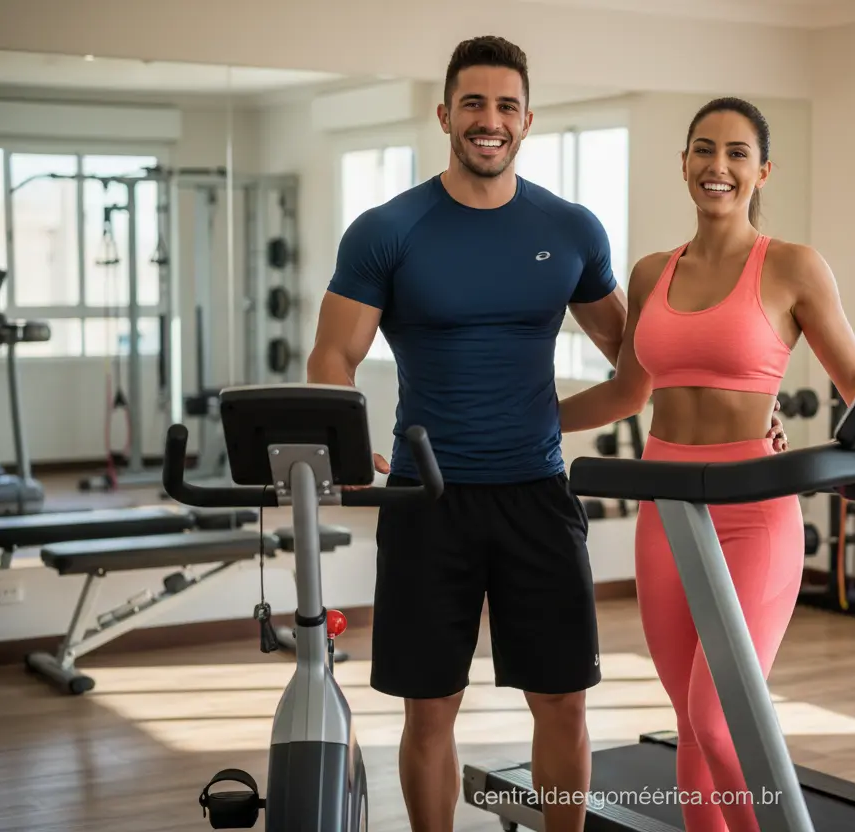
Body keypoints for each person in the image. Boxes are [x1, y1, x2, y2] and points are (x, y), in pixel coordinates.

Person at [305, 35, 636, 832]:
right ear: (446, 112)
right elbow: (332, 357)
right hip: (428, 500)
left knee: (561, 700)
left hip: (537, 496)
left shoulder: (572, 228)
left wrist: (555, 420)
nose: (491, 120)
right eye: (475, 104)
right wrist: (344, 451)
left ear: (528, 120)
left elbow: (636, 360)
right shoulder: (389, 230)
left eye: (507, 106)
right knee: (430, 710)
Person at [556, 97, 855, 832]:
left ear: (762, 171)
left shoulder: (792, 266)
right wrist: (528, 418)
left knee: (720, 717)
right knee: (689, 725)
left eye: (736, 153)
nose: (718, 166)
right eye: (704, 150)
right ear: (684, 164)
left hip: (754, 511)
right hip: (666, 509)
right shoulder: (649, 273)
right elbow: (627, 392)